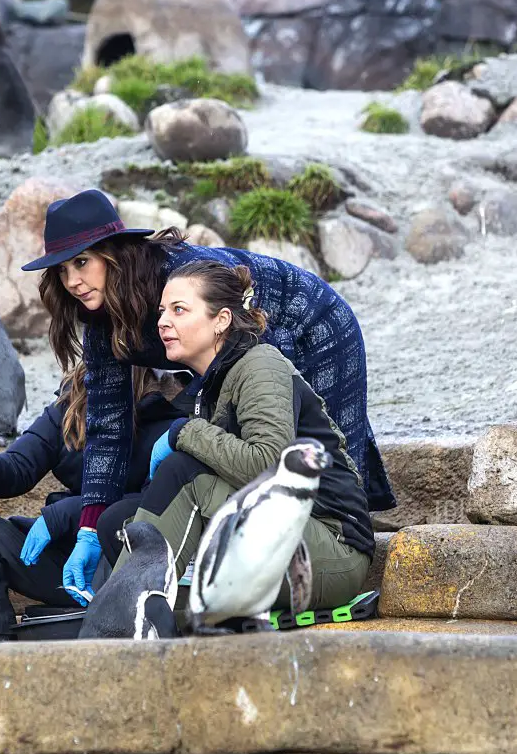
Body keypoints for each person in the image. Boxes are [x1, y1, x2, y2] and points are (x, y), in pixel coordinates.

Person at [20, 189, 391, 603]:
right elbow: (108, 428)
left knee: (312, 439)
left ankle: (341, 557)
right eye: (62, 269)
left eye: (82, 262)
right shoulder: (101, 323)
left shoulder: (182, 277)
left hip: (309, 322)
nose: (72, 281)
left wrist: (191, 432)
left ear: (115, 254)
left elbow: (251, 370)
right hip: (247, 356)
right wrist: (89, 527)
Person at [118, 260, 373, 609]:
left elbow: (270, 465)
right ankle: (123, 612)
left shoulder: (260, 365)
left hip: (330, 552)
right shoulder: (210, 385)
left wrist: (185, 432)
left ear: (221, 320)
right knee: (119, 521)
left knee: (184, 473)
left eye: (179, 310)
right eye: (162, 311)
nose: (163, 321)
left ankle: (122, 617)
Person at [0, 362, 187, 638]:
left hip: (118, 569)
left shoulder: (168, 413)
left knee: (120, 531)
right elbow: (19, 467)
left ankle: (102, 630)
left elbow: (150, 504)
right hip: (63, 560)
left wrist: (63, 516)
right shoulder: (72, 402)